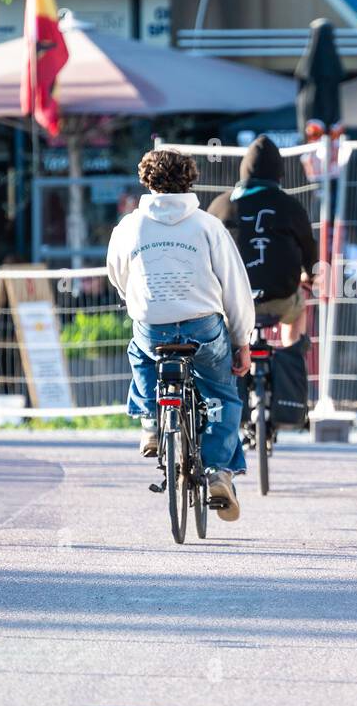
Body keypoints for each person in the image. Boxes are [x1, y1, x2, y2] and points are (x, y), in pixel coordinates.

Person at [107, 148, 254, 522]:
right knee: (221, 393)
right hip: (202, 324)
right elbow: (234, 286)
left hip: (152, 324)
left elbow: (117, 275)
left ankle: (152, 423)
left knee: (140, 353)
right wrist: (242, 341)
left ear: (147, 181)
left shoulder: (130, 226)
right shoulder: (207, 226)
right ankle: (218, 469)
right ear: (191, 179)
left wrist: (137, 299)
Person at [207, 134, 317, 347]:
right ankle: (290, 357)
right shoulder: (289, 205)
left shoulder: (220, 205)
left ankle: (230, 365)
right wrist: (309, 274)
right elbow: (308, 247)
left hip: (232, 300)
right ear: (279, 172)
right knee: (297, 311)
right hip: (279, 299)